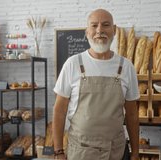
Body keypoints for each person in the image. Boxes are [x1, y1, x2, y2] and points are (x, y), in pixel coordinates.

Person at [53, 8, 140, 160]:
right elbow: (59, 111)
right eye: (94, 26)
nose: (99, 30)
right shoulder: (73, 64)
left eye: (106, 25)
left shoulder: (126, 66)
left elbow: (132, 114)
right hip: (81, 151)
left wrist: (135, 152)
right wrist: (58, 151)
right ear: (87, 32)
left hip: (117, 151)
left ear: (114, 30)